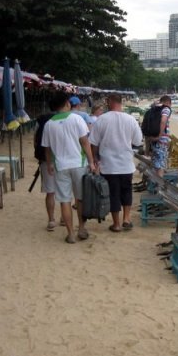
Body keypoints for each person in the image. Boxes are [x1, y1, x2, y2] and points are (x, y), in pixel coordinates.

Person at [41, 91, 96, 243]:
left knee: (65, 200)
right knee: (80, 199)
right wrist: (91, 162)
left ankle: (71, 233)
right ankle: (82, 229)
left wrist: (50, 164)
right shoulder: (77, 119)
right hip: (79, 164)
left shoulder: (49, 124)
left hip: (61, 166)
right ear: (67, 104)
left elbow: (47, 149)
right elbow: (85, 142)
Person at [89, 93, 143, 233]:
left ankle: (116, 224)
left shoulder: (101, 119)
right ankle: (126, 218)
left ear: (109, 101)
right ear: (121, 102)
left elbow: (93, 142)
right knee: (126, 191)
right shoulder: (131, 119)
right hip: (125, 162)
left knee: (113, 193)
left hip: (108, 164)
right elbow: (137, 141)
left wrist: (94, 158)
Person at [34, 107, 57, 231]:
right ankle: (64, 218)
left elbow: (36, 140)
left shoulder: (41, 119)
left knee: (50, 192)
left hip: (45, 159)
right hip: (64, 159)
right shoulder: (68, 118)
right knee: (65, 192)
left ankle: (51, 220)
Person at [149, 95, 172, 177]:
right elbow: (163, 120)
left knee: (155, 164)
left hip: (152, 140)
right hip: (161, 141)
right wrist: (160, 135)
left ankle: (154, 186)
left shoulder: (154, 109)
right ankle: (158, 188)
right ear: (168, 103)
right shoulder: (166, 109)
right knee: (161, 166)